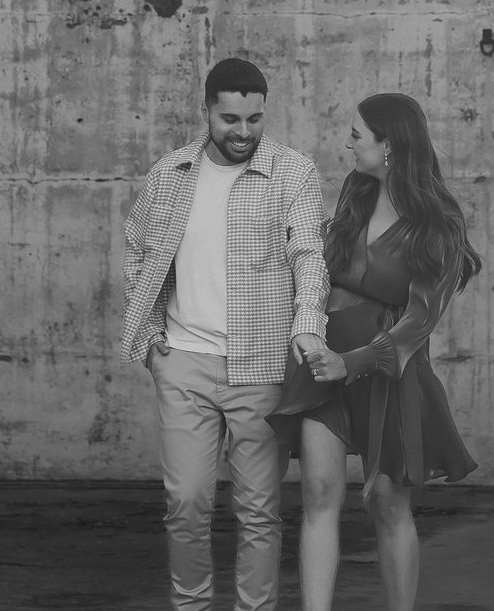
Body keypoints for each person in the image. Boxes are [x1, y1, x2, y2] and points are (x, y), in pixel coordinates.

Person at [120, 57, 331, 611]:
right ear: (207, 110)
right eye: (230, 119)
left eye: (254, 120)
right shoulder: (171, 173)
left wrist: (307, 327)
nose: (243, 133)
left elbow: (310, 256)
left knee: (258, 510)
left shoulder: (293, 172)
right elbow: (139, 251)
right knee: (186, 501)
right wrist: (146, 338)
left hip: (259, 366)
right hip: (183, 361)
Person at [277, 92, 481, 611]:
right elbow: (321, 269)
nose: (347, 144)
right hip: (322, 363)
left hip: (388, 372)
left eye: (355, 135)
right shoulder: (355, 192)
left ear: (387, 145)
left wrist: (354, 362)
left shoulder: (440, 223)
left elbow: (418, 323)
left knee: (387, 504)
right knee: (319, 494)